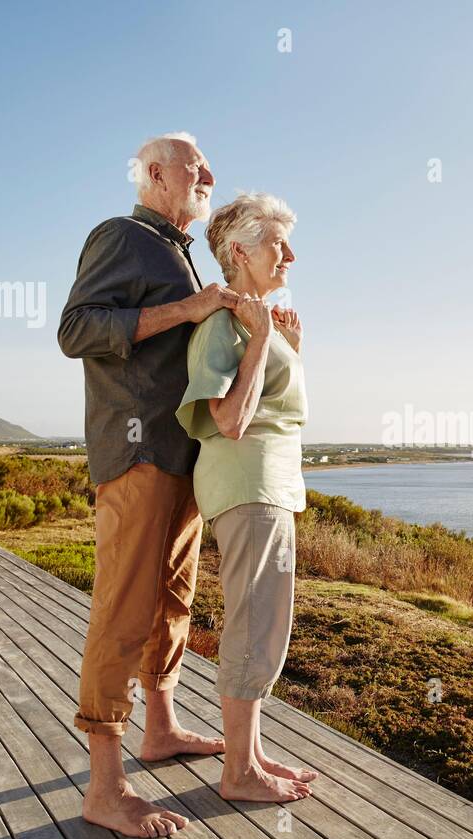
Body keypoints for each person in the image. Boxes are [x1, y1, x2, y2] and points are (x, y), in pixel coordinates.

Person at [58, 132, 240, 838]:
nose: (210, 175)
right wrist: (187, 311)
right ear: (158, 174)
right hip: (135, 456)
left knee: (173, 600)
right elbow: (76, 329)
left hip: (181, 457)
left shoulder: (179, 251)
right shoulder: (123, 234)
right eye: (198, 167)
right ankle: (105, 788)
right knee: (123, 611)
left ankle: (159, 730)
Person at [175, 191, 317, 802]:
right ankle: (238, 775)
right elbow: (231, 420)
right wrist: (262, 342)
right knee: (255, 624)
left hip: (271, 486)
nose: (290, 254)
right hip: (247, 487)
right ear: (239, 251)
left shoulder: (256, 319)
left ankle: (250, 753)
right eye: (277, 243)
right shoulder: (222, 324)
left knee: (267, 623)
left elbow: (273, 407)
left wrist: (287, 347)